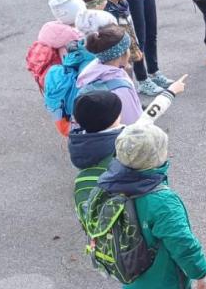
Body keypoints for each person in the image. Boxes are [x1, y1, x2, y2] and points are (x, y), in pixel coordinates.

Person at [95, 123, 206, 288]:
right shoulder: (162, 202)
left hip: (129, 274)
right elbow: (182, 242)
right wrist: (201, 275)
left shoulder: (107, 184)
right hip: (163, 281)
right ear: (155, 158)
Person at [69, 86, 183, 223]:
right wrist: (170, 92)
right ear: (113, 117)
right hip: (135, 201)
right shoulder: (125, 137)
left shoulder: (79, 142)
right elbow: (149, 115)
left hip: (104, 210)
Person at [78, 25, 184, 126]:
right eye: (129, 48)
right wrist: (171, 92)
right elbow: (136, 125)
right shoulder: (120, 88)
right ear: (122, 53)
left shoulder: (91, 71)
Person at [91, 0, 161, 95]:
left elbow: (129, 28)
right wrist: (131, 50)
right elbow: (119, 34)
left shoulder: (122, 3)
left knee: (126, 75)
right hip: (118, 52)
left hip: (128, 46)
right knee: (122, 76)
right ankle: (130, 96)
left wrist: (135, 47)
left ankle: (132, 94)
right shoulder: (108, 13)